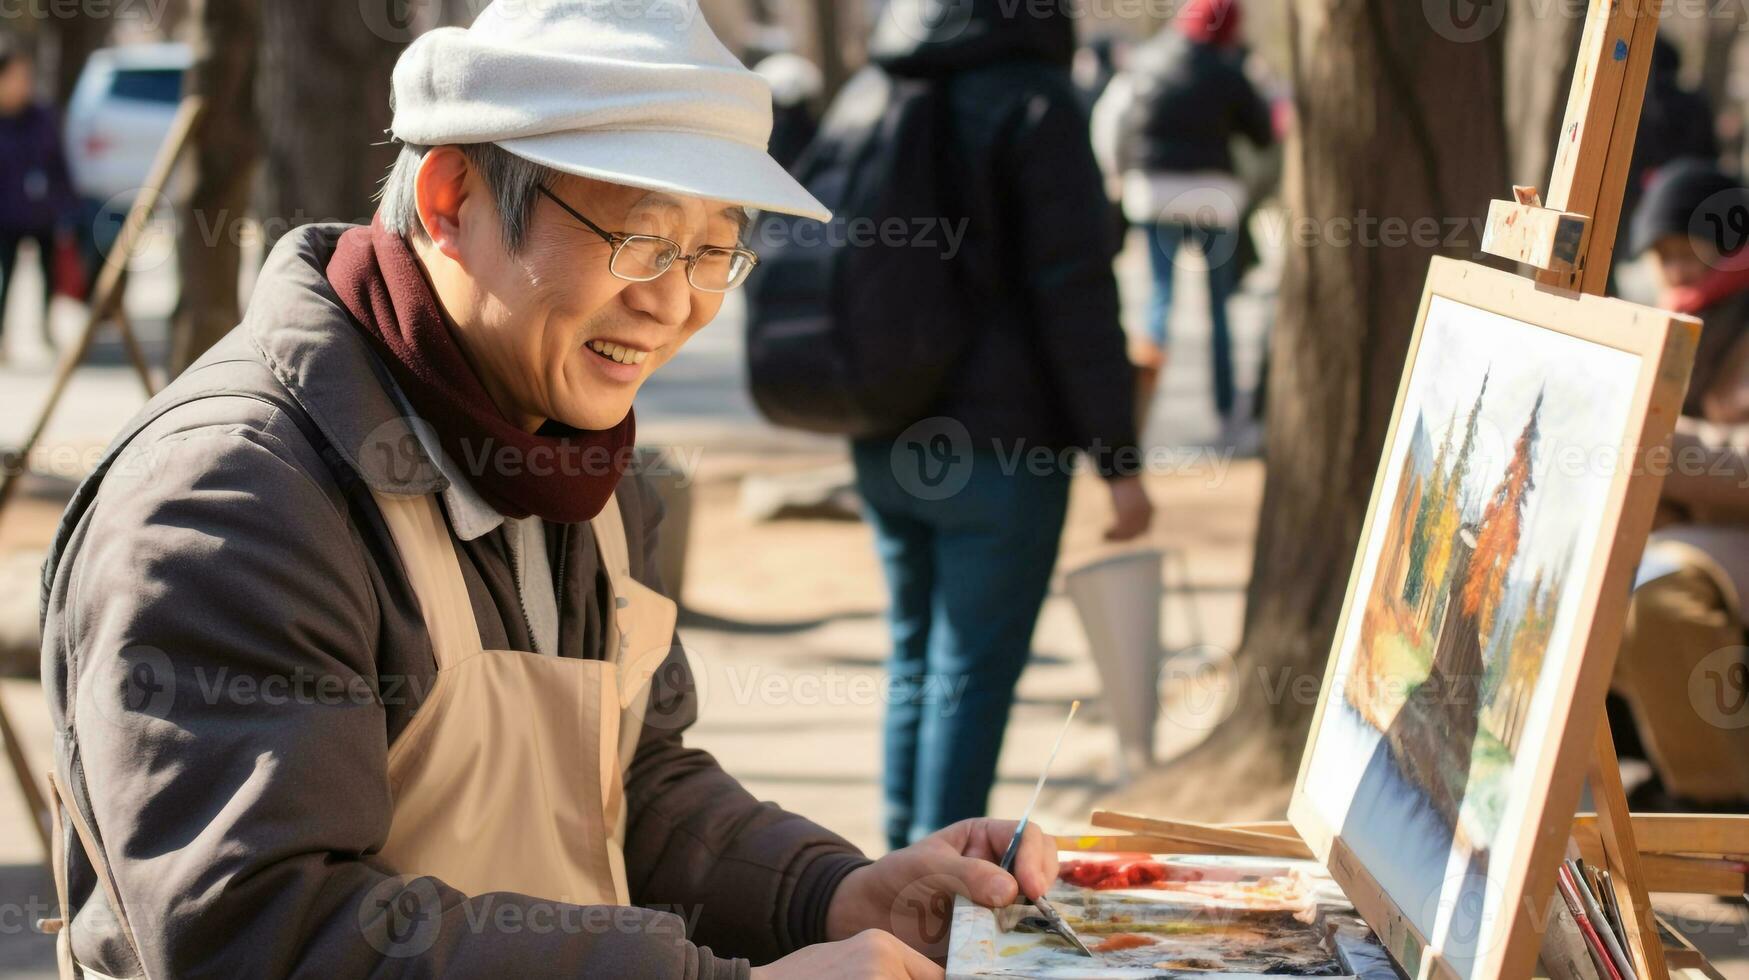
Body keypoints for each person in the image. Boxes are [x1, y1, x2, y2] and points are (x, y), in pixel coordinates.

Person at [39, 4, 1057, 977]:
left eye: (712, 253)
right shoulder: (235, 498)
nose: (671, 304)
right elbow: (264, 932)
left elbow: (629, 784)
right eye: (640, 238)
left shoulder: (576, 449)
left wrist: (835, 891)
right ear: (450, 202)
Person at [833, 0, 1152, 853]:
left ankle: (893, 869)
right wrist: (1119, 459)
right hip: (999, 451)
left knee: (916, 658)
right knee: (968, 674)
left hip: (882, 427)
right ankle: (931, 887)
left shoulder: (878, 85)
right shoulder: (1036, 98)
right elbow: (1074, 287)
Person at [1609, 159, 1749, 806]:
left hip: (1728, 534)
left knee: (1656, 594)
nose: (1676, 268)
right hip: (1685, 527)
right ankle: (1636, 761)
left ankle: (1718, 807)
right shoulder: (1667, 322)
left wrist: (1659, 443)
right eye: (1661, 254)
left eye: (1687, 248)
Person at [1091, 0, 1273, 436]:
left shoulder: (1145, 62)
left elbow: (1110, 123)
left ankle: (1136, 417)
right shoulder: (1228, 70)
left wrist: (1117, 176)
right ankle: (1228, 416)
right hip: (1213, 199)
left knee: (1158, 303)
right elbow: (1263, 133)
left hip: (1154, 197)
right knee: (1219, 311)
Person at [0, 33, 78, 362]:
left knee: (50, 276)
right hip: (6, 216)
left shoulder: (43, 116)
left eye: (26, 76)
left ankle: (46, 329)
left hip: (43, 212)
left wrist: (68, 209)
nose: (23, 84)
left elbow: (59, 163)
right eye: (16, 76)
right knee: (7, 278)